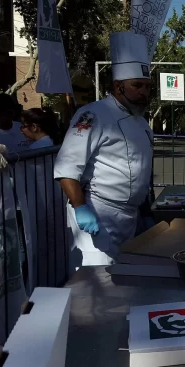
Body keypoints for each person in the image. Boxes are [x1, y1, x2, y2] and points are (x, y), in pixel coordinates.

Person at [54, 31, 153, 270]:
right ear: (118, 87)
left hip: (130, 218)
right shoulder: (93, 115)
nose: (144, 92)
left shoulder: (142, 123)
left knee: (122, 280)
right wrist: (80, 208)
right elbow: (67, 168)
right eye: (137, 85)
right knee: (94, 283)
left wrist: (146, 210)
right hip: (98, 214)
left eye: (147, 87)